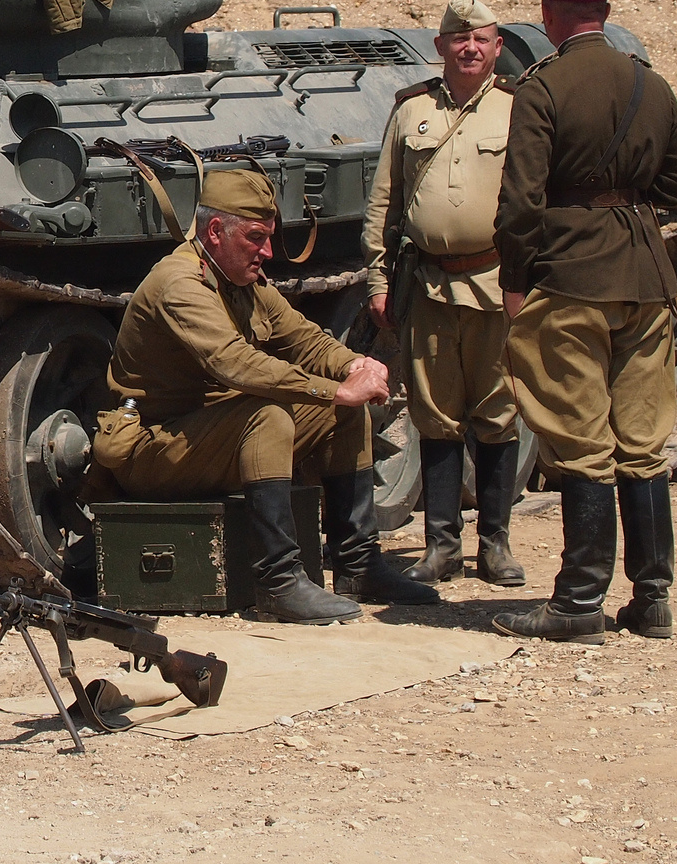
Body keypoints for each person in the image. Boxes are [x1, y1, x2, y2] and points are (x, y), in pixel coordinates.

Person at [95, 168, 441, 625]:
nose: (268, 252)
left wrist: (352, 365)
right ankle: (279, 583)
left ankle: (358, 564)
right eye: (255, 237)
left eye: (268, 237)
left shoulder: (241, 281)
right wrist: (334, 389)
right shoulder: (179, 284)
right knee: (272, 416)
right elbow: (233, 362)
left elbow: (304, 338)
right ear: (215, 232)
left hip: (211, 435)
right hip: (154, 449)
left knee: (343, 415)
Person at [491, 0, 677, 643]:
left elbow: (520, 200)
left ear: (550, 12)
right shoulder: (652, 85)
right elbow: (676, 186)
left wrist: (517, 277)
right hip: (645, 275)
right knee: (642, 445)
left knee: (581, 443)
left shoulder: (542, 87)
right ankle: (653, 597)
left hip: (572, 277)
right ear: (603, 12)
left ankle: (579, 602)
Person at [364, 0, 524, 588]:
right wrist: (379, 278)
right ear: (440, 47)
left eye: (481, 38)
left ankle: (496, 544)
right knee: (435, 417)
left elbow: (533, 201)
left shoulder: (516, 109)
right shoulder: (411, 112)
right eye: (458, 39)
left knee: (498, 412)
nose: (469, 48)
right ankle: (441, 545)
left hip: (494, 284)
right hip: (428, 284)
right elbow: (383, 200)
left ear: (497, 46)